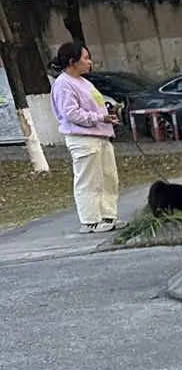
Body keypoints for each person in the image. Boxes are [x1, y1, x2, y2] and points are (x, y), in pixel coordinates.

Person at [49, 41, 120, 233]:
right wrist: (99, 117)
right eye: (86, 58)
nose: (90, 62)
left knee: (107, 178)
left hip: (101, 135)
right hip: (83, 138)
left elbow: (95, 105)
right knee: (89, 180)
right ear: (73, 61)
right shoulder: (63, 84)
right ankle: (90, 219)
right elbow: (71, 113)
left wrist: (108, 114)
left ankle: (108, 216)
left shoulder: (84, 82)